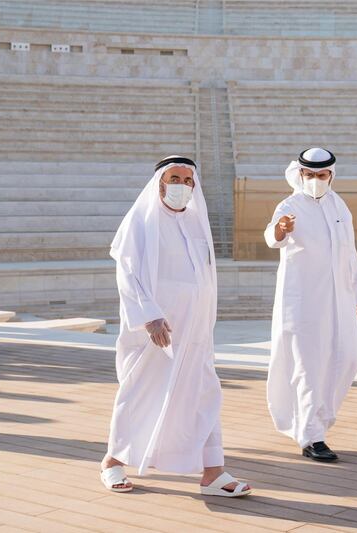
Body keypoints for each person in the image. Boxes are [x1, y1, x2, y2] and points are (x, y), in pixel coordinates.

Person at [100, 155, 251, 497]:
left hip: (195, 332)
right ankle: (112, 462)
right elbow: (127, 272)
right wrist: (149, 316)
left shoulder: (198, 223)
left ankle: (213, 473)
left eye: (187, 180)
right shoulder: (141, 220)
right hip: (155, 333)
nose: (181, 185)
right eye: (174, 178)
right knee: (139, 394)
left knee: (204, 395)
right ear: (160, 183)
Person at [264, 147, 357, 462]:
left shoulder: (340, 206)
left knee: (348, 358)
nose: (314, 180)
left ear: (331, 176)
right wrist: (281, 229)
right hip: (302, 301)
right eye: (309, 175)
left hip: (339, 297)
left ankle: (318, 421)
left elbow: (349, 251)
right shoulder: (289, 204)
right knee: (308, 366)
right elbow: (273, 237)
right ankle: (312, 436)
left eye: (321, 175)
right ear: (300, 175)